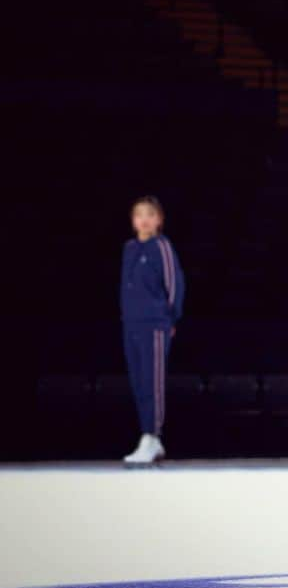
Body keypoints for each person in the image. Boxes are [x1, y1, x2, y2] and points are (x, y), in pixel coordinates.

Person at [119, 195, 185, 465]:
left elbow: (174, 283)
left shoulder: (162, 247)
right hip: (132, 324)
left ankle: (152, 435)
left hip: (154, 324)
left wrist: (170, 319)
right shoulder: (129, 248)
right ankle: (146, 436)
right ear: (133, 221)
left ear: (159, 220)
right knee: (138, 382)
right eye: (138, 215)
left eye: (150, 215)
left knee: (152, 381)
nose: (144, 220)